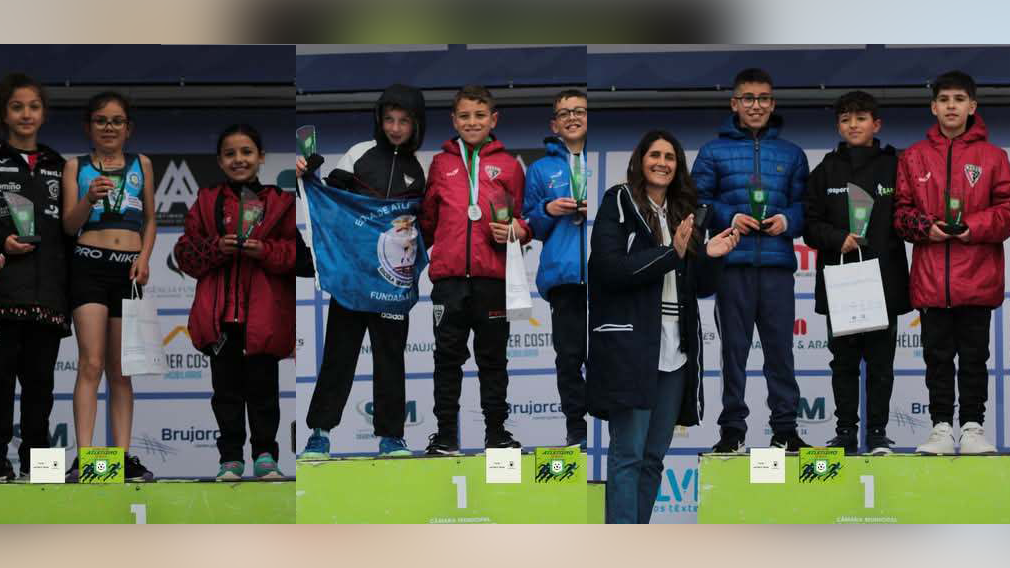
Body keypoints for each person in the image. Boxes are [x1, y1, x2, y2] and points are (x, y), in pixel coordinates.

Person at [588, 130, 739, 523]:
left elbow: (700, 287)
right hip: (633, 347)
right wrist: (671, 253)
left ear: (678, 167)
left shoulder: (682, 212)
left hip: (676, 350)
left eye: (670, 157)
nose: (662, 163)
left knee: (653, 457)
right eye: (654, 155)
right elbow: (608, 268)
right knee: (628, 454)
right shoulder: (619, 201)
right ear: (640, 161)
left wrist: (712, 256)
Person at [296, 84, 427, 458]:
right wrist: (308, 177)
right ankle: (319, 433)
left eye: (404, 121)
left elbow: (421, 226)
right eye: (389, 119)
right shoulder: (358, 153)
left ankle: (391, 437)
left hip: (391, 283)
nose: (395, 128)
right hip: (352, 281)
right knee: (339, 356)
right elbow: (330, 202)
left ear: (417, 124)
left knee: (390, 359)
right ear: (379, 120)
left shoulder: (420, 169)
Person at [692, 68, 811, 453]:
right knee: (733, 353)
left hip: (777, 267)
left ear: (772, 104)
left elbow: (805, 208)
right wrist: (731, 217)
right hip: (732, 267)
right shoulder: (712, 152)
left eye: (762, 98)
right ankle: (732, 430)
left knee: (781, 353)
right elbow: (697, 202)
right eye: (748, 98)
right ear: (734, 103)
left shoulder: (792, 154)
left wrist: (787, 220)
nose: (755, 105)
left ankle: (785, 429)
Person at [893, 71, 1010, 455]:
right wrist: (926, 227)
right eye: (944, 100)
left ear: (972, 106)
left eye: (959, 99)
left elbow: (1007, 211)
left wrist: (972, 228)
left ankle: (973, 427)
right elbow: (901, 214)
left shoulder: (994, 157)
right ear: (933, 107)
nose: (951, 106)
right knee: (937, 359)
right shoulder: (914, 156)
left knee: (975, 359)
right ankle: (941, 427)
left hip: (977, 277)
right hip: (932, 280)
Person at [174, 124, 296, 479]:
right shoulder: (206, 201)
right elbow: (184, 255)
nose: (238, 159)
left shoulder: (281, 202)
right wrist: (216, 248)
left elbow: (297, 257)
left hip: (263, 318)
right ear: (219, 160)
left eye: (246, 152)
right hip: (220, 319)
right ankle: (230, 459)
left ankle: (265, 457)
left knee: (264, 393)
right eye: (230, 153)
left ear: (261, 157)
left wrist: (264, 250)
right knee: (226, 394)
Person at [420, 85, 531, 455]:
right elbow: (428, 220)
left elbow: (522, 219)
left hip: (492, 279)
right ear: (454, 120)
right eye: (465, 116)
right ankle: (446, 436)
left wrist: (517, 229)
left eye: (480, 115)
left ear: (493, 119)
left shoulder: (510, 165)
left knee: (493, 360)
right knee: (446, 359)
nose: (472, 122)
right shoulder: (440, 164)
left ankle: (496, 434)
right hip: (449, 280)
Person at [802, 90, 910, 455]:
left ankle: (877, 433)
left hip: (884, 282)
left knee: (881, 364)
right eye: (846, 119)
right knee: (843, 363)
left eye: (861, 118)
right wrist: (837, 239)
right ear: (838, 126)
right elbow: (809, 225)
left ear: (876, 124)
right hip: (841, 282)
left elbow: (908, 215)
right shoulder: (825, 170)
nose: (853, 125)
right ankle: (845, 432)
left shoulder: (896, 166)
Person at [62, 91, 156, 482]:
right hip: (89, 265)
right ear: (89, 127)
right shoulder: (75, 166)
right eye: (101, 120)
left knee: (121, 370)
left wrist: (145, 258)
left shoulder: (142, 163)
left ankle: (120, 458)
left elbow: (150, 219)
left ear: (128, 128)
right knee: (91, 363)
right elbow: (69, 224)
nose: (109, 127)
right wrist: (88, 198)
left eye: (116, 121)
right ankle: (86, 458)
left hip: (128, 271)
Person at [0, 73, 69, 482]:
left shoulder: (60, 165)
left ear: (43, 114)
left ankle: (41, 467)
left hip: (48, 297)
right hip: (4, 295)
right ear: (4, 114)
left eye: (34, 106)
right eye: (17, 107)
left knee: (41, 387)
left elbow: (71, 230)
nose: (26, 114)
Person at [522, 88, 589, 448]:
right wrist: (548, 210)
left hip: (609, 277)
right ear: (555, 124)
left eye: (579, 111)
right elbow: (529, 225)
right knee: (569, 358)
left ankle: (615, 431)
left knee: (612, 357)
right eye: (565, 113)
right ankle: (576, 429)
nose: (572, 117)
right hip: (564, 277)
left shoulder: (609, 163)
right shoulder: (541, 169)